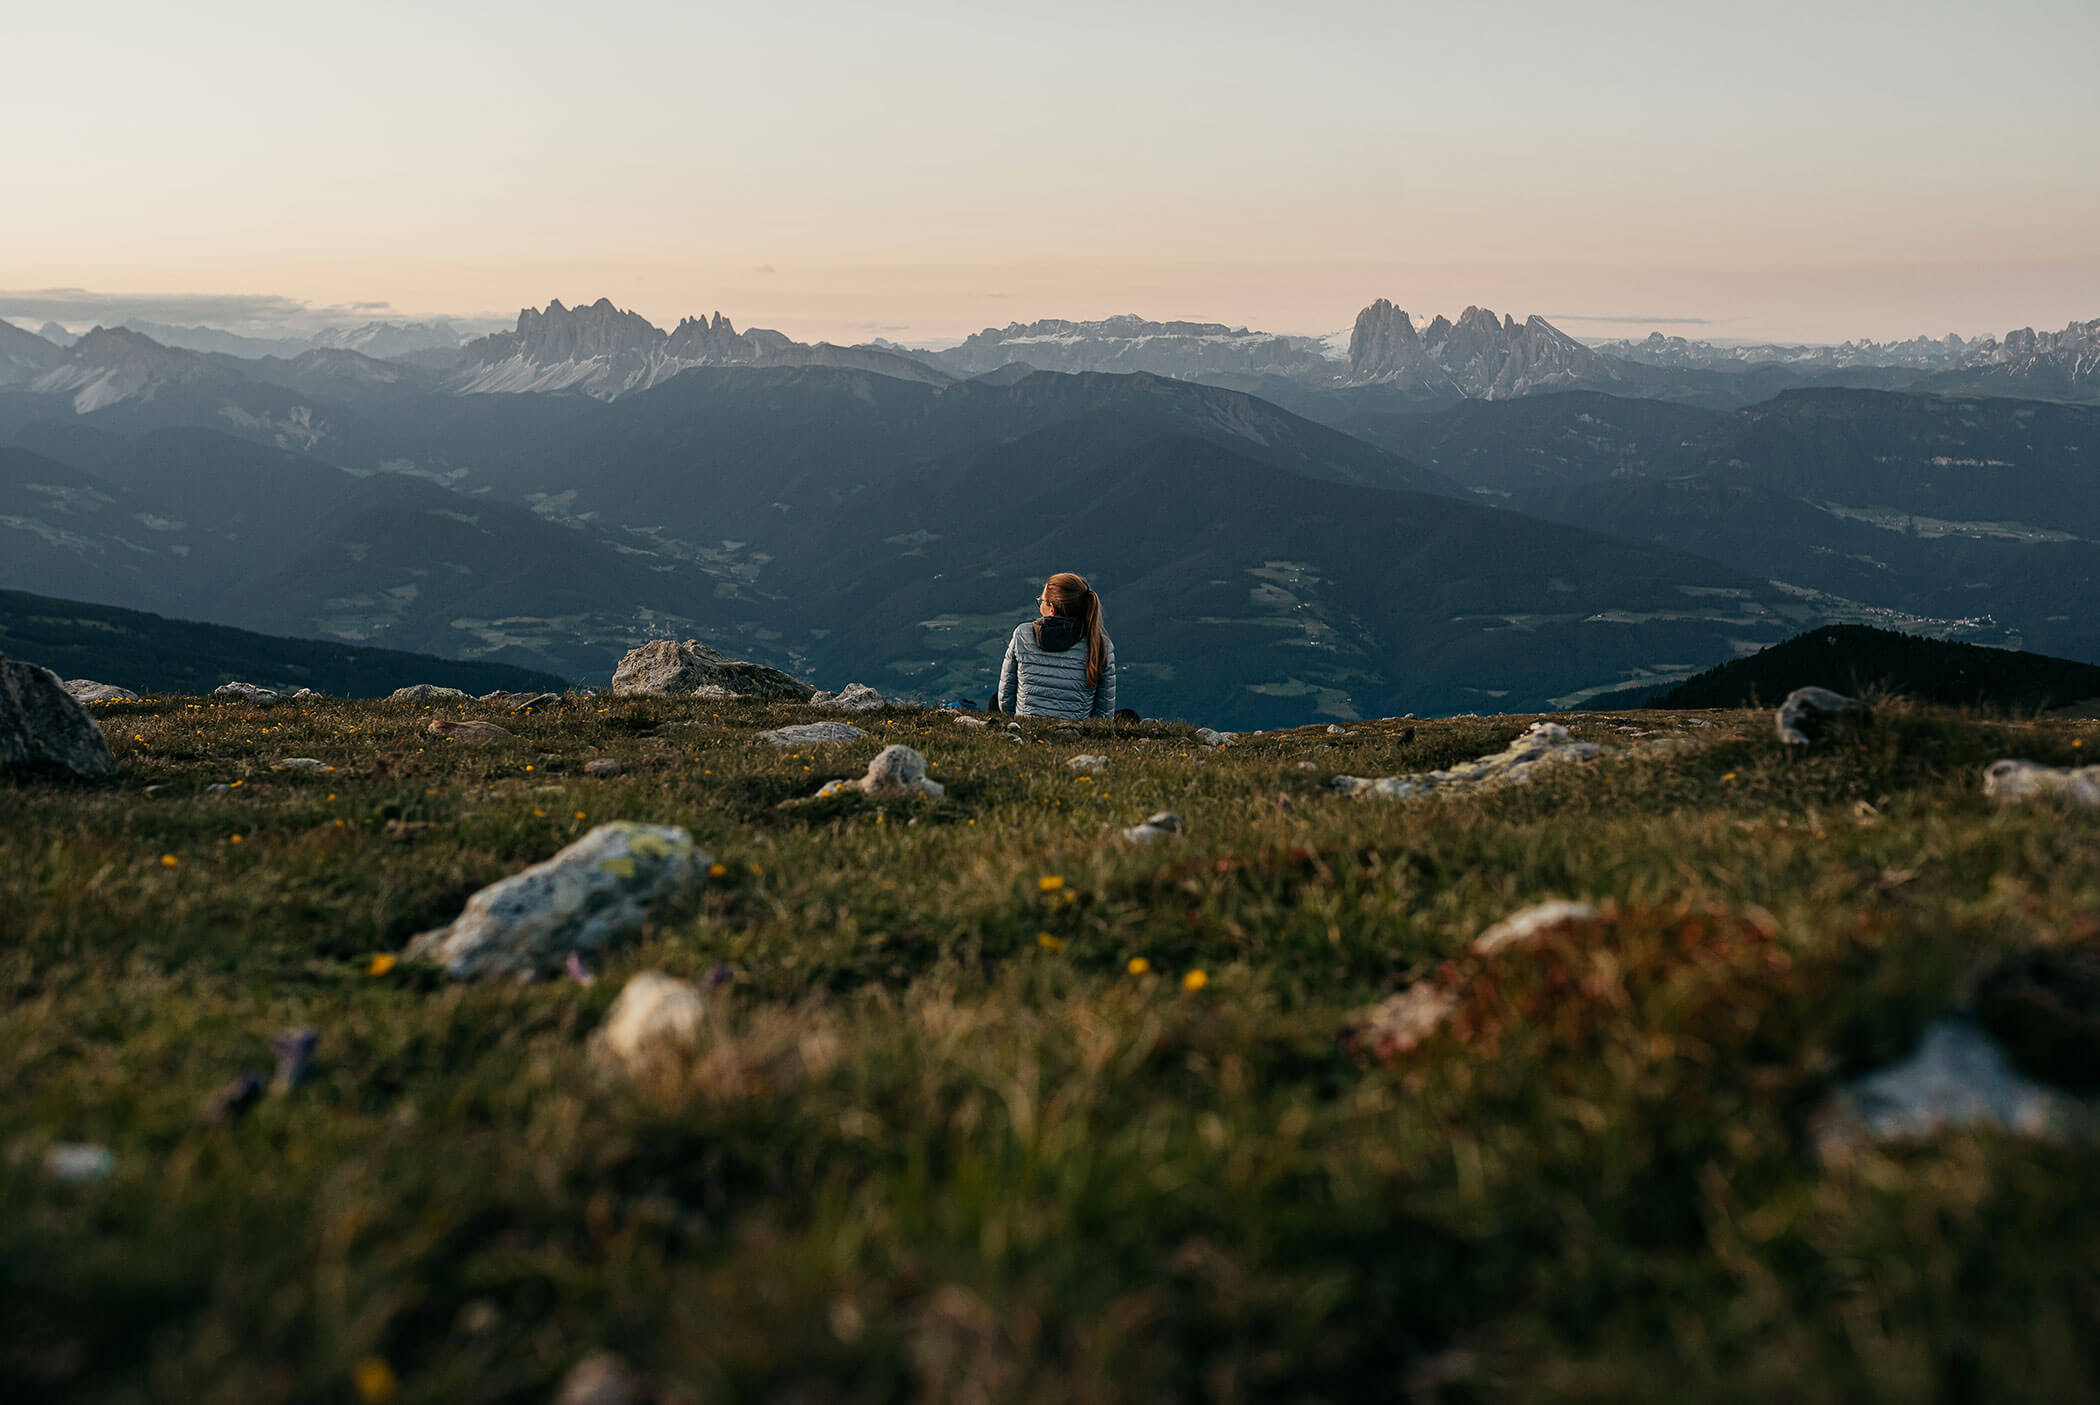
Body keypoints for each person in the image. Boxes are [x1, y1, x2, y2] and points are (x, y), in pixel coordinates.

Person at [996, 572, 1117, 719]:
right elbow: (1104, 712)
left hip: (1026, 729)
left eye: (1041, 600)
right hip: (1075, 736)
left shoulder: (1023, 634)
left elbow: (1005, 701)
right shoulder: (1100, 643)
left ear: (1051, 608)